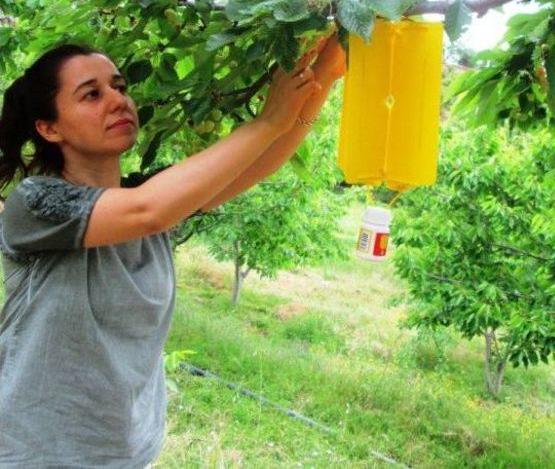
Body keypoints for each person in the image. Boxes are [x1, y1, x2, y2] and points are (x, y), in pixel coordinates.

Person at [0, 33, 347, 468]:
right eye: (91, 94)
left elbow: (261, 162)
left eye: (119, 87)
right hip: (38, 453)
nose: (117, 100)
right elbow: (149, 211)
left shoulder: (148, 195)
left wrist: (325, 76)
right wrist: (266, 120)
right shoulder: (35, 204)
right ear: (49, 128)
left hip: (127, 450)